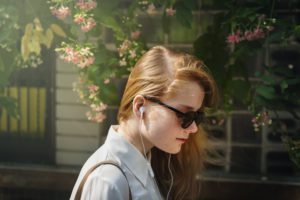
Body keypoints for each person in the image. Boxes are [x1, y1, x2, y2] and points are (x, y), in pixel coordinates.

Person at [70, 45, 218, 200]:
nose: (193, 128)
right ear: (140, 106)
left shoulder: (143, 164)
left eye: (197, 116)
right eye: (185, 115)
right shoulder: (109, 179)